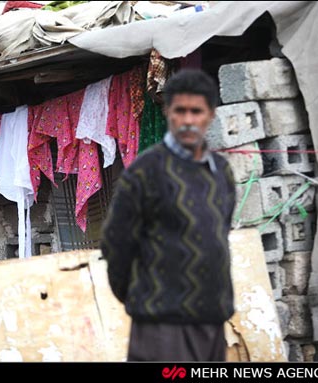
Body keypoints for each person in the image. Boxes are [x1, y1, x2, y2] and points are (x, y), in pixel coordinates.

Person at [101, 69, 236, 362]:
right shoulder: (144, 172)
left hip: (210, 319)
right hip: (162, 323)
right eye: (180, 111)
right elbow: (116, 243)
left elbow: (220, 234)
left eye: (196, 111)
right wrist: (141, 297)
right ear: (167, 112)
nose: (188, 120)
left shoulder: (221, 172)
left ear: (210, 114)